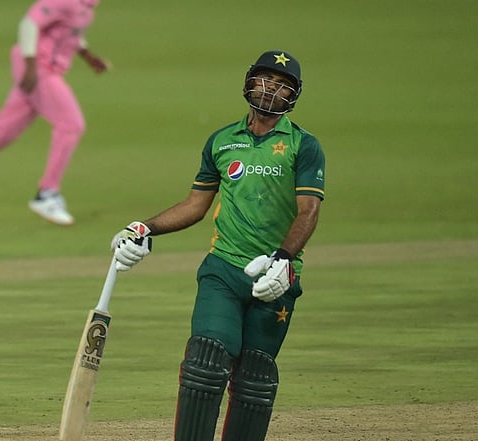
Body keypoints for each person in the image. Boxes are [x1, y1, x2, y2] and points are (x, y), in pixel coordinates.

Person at [110, 50, 326, 441]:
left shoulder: (304, 146)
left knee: (255, 378)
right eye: (264, 79)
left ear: (293, 96)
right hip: (223, 270)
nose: (270, 88)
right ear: (249, 82)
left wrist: (283, 259)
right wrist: (145, 227)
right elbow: (195, 204)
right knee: (205, 361)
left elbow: (308, 211)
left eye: (282, 85)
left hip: (276, 275)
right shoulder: (223, 141)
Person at [0, 0, 109, 226]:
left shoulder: (86, 6)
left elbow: (69, 33)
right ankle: (47, 193)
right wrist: (31, 65)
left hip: (46, 68)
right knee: (71, 125)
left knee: (6, 129)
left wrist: (87, 55)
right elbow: (30, 23)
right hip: (39, 68)